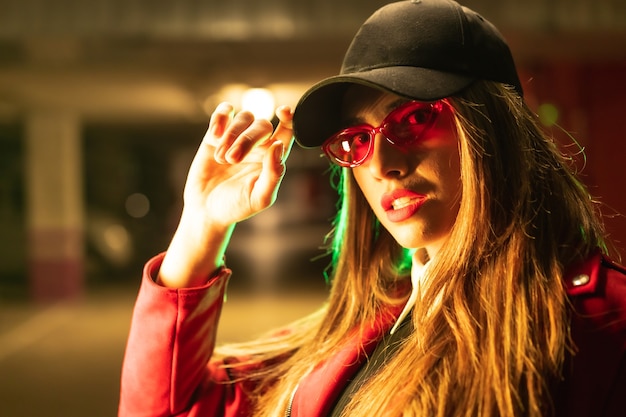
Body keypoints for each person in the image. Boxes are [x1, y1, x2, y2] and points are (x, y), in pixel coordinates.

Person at [118, 0, 626, 416]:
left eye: (414, 118)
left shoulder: (599, 326)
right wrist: (202, 224)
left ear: (490, 126)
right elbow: (168, 408)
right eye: (356, 140)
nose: (383, 163)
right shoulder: (360, 329)